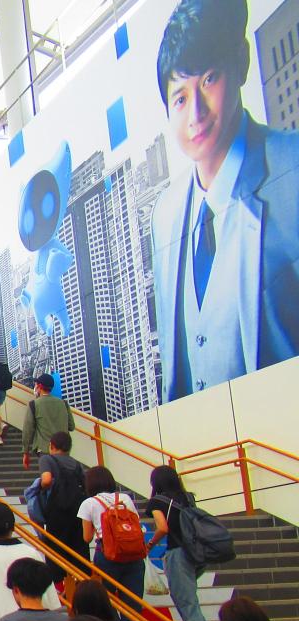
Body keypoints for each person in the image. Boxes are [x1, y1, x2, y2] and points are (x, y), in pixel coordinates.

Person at [152, 0, 299, 402]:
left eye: (209, 79)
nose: (195, 113)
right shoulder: (165, 217)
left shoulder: (292, 168)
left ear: (240, 65)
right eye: (180, 98)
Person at [145, 465, 213, 621]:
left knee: (185, 602)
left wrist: (150, 545)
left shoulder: (157, 502)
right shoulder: (188, 497)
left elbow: (162, 528)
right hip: (198, 553)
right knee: (189, 597)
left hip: (178, 554)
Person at [78, 465, 146, 608]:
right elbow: (136, 522)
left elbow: (86, 538)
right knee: (133, 603)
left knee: (106, 601)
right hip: (133, 552)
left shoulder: (88, 503)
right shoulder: (125, 498)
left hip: (107, 554)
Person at [34, 431, 90, 579]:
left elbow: (46, 480)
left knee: (56, 555)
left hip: (57, 514)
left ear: (51, 445)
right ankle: (80, 584)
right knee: (78, 554)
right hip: (77, 514)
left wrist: (39, 489)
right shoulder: (76, 464)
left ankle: (60, 586)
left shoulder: (47, 459)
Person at [21, 374, 75, 469]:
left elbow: (27, 430)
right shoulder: (63, 403)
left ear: (40, 386)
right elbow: (71, 426)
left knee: (48, 475)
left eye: (36, 384)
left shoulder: (34, 405)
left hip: (45, 450)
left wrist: (26, 452)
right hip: (64, 450)